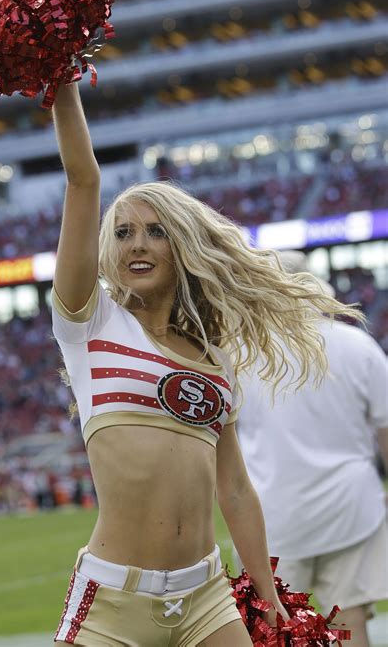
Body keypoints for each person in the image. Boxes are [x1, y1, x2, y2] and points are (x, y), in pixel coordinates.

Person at [50, 83, 361, 646]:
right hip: (114, 600)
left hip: (206, 598)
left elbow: (235, 487)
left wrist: (267, 595)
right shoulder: (90, 326)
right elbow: (82, 179)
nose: (135, 245)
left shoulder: (214, 359)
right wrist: (63, 84)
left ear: (184, 245)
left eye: (156, 231)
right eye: (122, 233)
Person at [235, 251, 388, 647]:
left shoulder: (241, 356)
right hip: (351, 508)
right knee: (349, 620)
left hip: (272, 517)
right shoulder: (357, 345)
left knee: (273, 631)